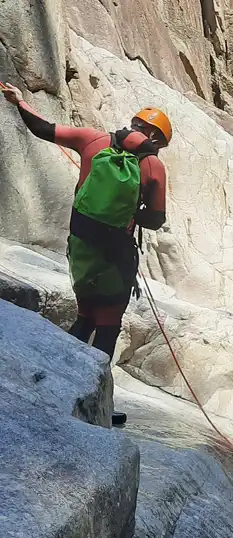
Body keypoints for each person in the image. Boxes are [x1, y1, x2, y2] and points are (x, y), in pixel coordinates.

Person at [2, 83, 170, 363]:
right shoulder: (153, 165)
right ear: (153, 136)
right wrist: (130, 211)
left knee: (86, 316)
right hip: (115, 254)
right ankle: (94, 387)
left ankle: (60, 374)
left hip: (81, 246)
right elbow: (156, 219)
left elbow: (43, 128)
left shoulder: (93, 139)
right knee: (107, 326)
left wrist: (20, 101)